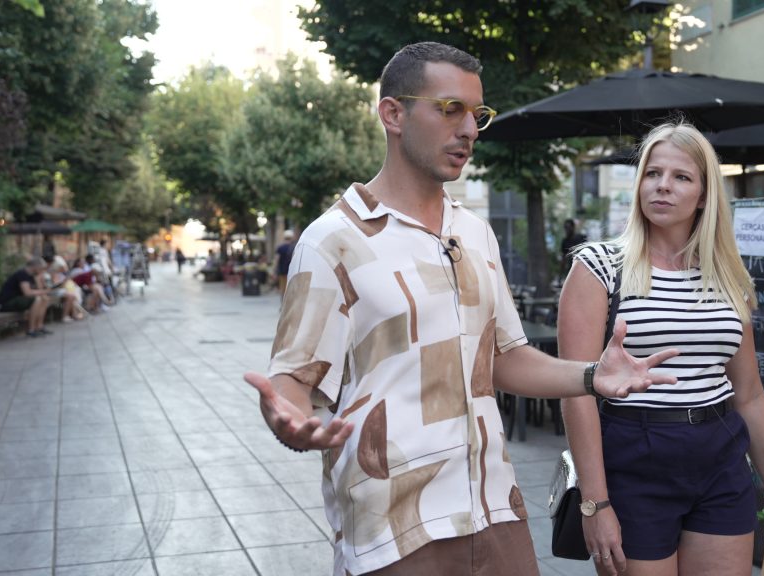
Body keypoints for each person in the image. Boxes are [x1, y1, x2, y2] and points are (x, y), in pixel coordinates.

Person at [242, 42, 680, 576]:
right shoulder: (332, 240)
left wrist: (591, 376)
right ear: (393, 113)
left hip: (496, 511)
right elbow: (294, 380)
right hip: (393, 529)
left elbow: (505, 357)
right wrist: (290, 420)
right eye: (450, 109)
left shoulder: (473, 232)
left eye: (478, 113)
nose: (470, 129)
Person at [558, 121, 764, 576]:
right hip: (635, 456)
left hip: (720, 453)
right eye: (652, 173)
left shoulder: (726, 275)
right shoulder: (598, 267)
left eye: (681, 177)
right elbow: (577, 392)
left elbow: (747, 394)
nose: (662, 186)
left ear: (704, 195)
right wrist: (595, 503)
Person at [0, 257, 52, 337]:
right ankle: (31, 329)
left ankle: (39, 326)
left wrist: (41, 281)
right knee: (37, 299)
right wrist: (44, 291)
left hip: (18, 300)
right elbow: (28, 293)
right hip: (7, 302)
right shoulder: (22, 274)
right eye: (41, 269)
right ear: (35, 266)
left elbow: (37, 289)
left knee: (45, 299)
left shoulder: (31, 276)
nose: (42, 271)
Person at [275, 229, 297, 294]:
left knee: (283, 288)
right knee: (291, 287)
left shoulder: (280, 248)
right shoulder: (294, 247)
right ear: (292, 238)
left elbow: (277, 260)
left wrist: (275, 270)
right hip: (292, 271)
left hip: (282, 271)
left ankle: (283, 302)